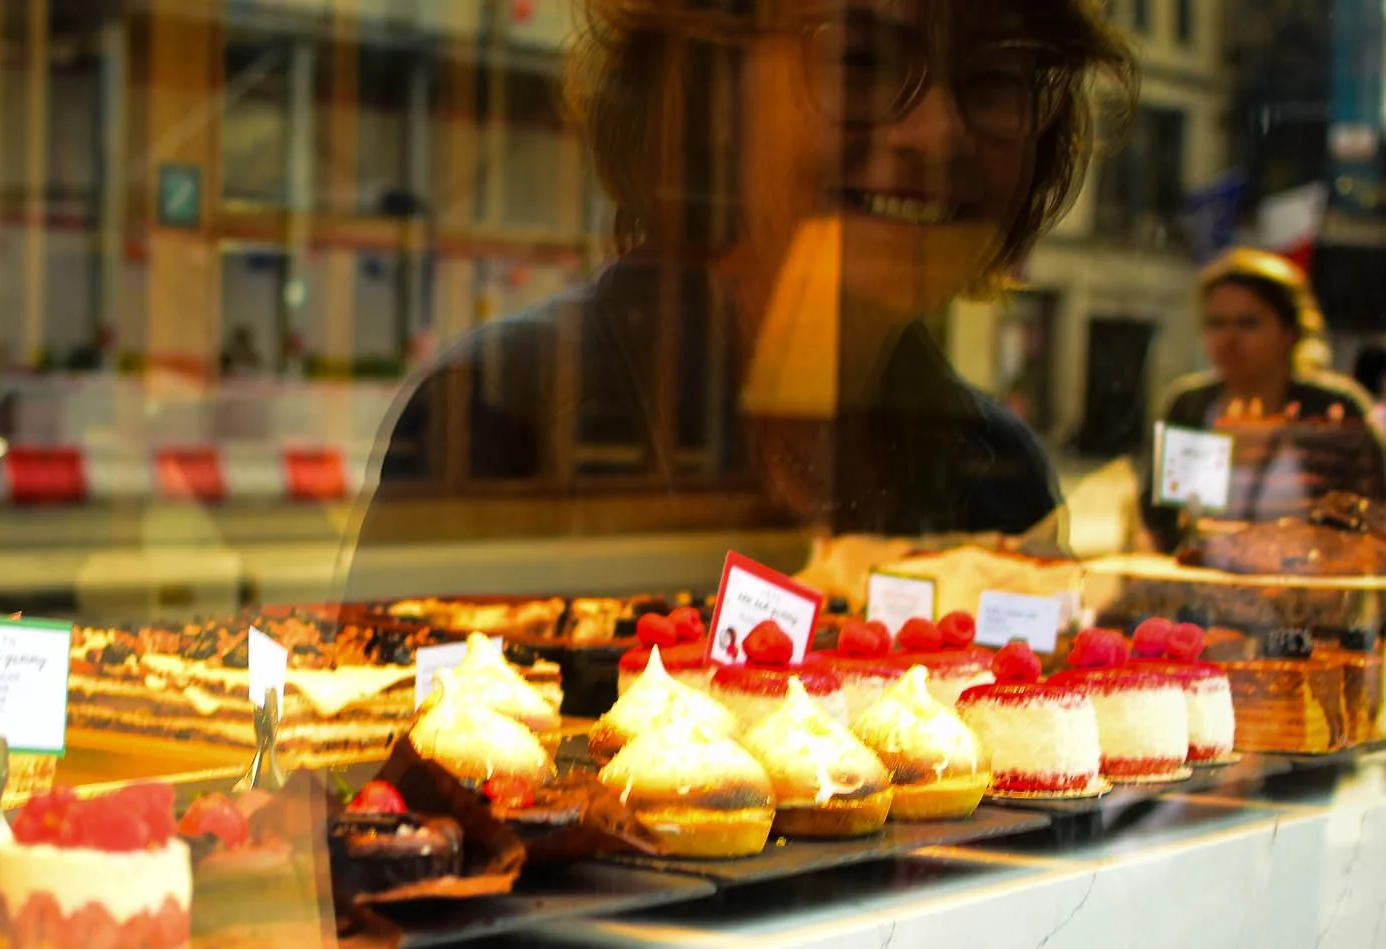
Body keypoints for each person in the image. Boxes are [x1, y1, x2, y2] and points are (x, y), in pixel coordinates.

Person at [342, 0, 1134, 593]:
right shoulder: (504, 415)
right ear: (705, 94)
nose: (937, 134)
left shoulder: (1003, 480)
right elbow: (381, 792)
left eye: (994, 79)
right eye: (859, 62)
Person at [1141, 248, 1386, 550]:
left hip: (1307, 589)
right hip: (1207, 588)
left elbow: (1371, 521)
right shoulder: (1192, 406)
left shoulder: (1334, 408)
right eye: (1217, 323)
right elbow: (1165, 523)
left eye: (1248, 323)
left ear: (1290, 332)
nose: (1229, 339)